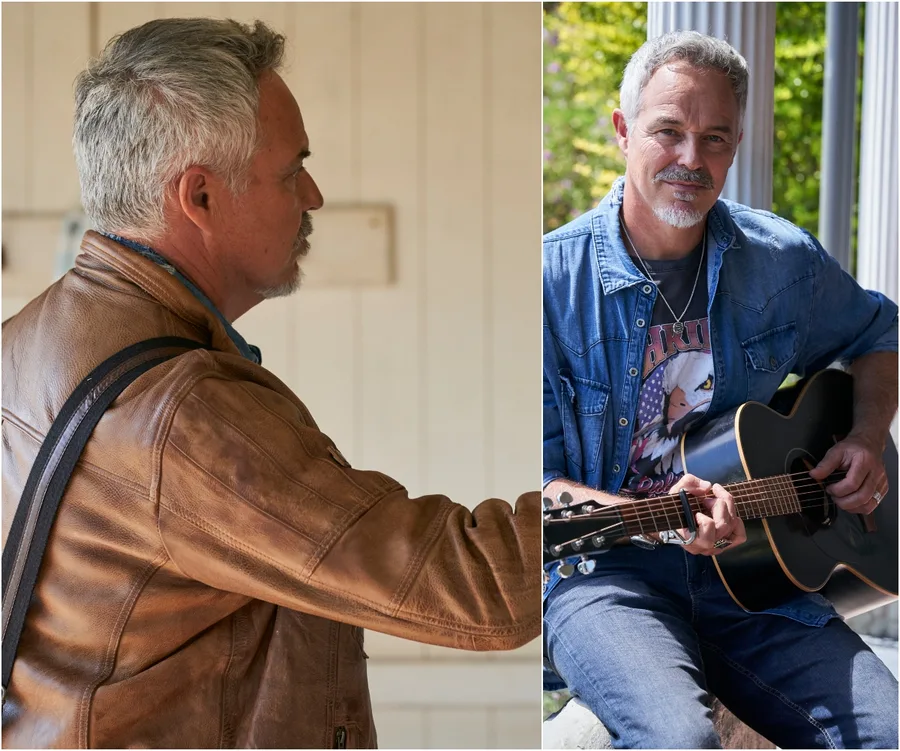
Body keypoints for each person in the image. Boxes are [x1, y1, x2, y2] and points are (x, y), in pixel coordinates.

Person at [1, 18, 540, 748]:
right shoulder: (183, 414)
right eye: (292, 171)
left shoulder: (24, 340)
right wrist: (612, 510)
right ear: (200, 196)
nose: (313, 196)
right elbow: (480, 589)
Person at [542, 30, 898, 750]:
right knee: (681, 740)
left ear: (735, 147)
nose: (691, 158)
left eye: (714, 139)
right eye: (668, 131)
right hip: (606, 575)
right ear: (622, 131)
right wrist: (661, 517)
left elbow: (880, 334)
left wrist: (864, 435)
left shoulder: (781, 262)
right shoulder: (549, 285)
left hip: (756, 574)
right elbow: (533, 490)